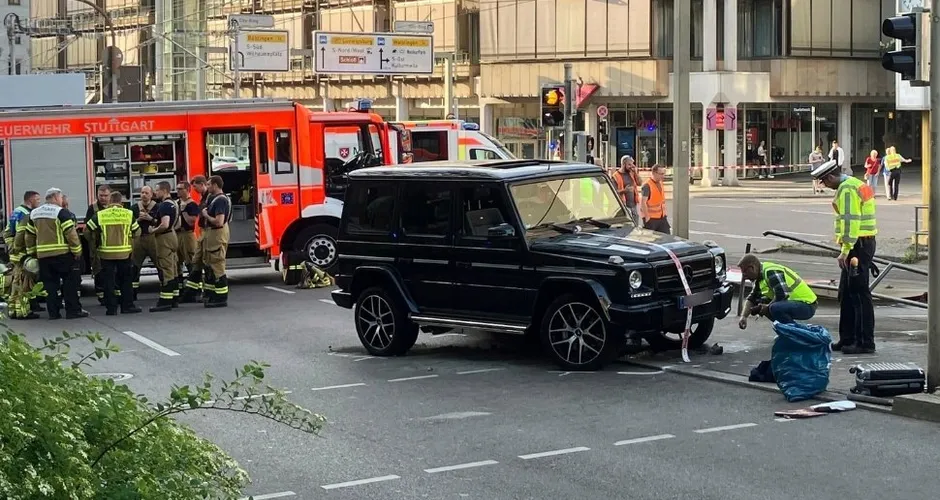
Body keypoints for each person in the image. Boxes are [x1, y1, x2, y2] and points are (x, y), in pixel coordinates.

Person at [812, 159, 877, 354]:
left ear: (831, 177)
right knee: (847, 293)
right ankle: (848, 338)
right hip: (861, 243)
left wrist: (846, 250)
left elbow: (850, 221)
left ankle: (864, 342)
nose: (825, 185)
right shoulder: (855, 183)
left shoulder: (847, 189)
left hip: (857, 245)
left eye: (824, 181)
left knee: (858, 294)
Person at [23, 188, 86, 320]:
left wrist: (32, 252)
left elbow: (29, 235)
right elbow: (71, 234)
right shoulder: (60, 212)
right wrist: (77, 251)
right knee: (69, 283)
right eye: (61, 197)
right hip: (62, 254)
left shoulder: (34, 213)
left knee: (50, 285)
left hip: (43, 256)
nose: (62, 200)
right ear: (56, 197)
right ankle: (72, 311)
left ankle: (53, 313)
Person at [85, 191, 142, 315]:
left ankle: (111, 308)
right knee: (126, 281)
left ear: (110, 201)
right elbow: (137, 232)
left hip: (105, 253)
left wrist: (94, 242)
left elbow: (87, 231)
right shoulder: (128, 214)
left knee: (108, 281)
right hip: (124, 253)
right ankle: (127, 306)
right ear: (121, 202)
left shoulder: (100, 215)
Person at [736, 254, 818, 329]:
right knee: (763, 305)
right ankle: (786, 331)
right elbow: (752, 298)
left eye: (745, 272)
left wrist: (766, 307)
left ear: (752, 268)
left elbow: (781, 295)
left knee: (773, 308)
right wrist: (744, 317)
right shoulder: (759, 278)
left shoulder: (770, 272)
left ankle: (794, 332)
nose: (744, 276)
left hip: (807, 305)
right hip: (795, 304)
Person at [181, 176, 214, 303]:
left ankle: (208, 293)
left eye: (195, 186)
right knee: (197, 261)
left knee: (207, 262)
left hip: (207, 232)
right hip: (203, 232)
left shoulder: (209, 198)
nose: (194, 189)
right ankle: (192, 292)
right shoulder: (204, 197)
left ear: (202, 184)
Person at [148, 181, 180, 312]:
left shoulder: (165, 205)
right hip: (172, 235)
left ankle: (165, 301)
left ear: (164, 191)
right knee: (173, 268)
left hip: (164, 238)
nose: (155, 193)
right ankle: (174, 298)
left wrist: (153, 230)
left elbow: (165, 224)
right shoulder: (174, 204)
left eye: (157, 190)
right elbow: (177, 223)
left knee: (166, 268)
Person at [201, 175, 231, 308]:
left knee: (217, 265)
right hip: (213, 234)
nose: (207, 187)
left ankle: (221, 298)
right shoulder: (216, 199)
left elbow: (219, 221)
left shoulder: (220, 200)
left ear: (215, 185)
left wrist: (206, 215)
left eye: (208, 185)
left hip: (217, 234)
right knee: (211, 265)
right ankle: (213, 295)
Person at [85, 184, 112, 304]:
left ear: (110, 195)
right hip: (97, 244)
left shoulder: (114, 207)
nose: (103, 198)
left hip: (112, 244)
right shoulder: (93, 208)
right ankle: (101, 296)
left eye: (106, 195)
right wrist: (92, 243)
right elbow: (87, 229)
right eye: (101, 195)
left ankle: (112, 294)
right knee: (98, 271)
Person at [131, 186, 158, 298]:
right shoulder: (134, 208)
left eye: (146, 193)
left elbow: (162, 223)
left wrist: (150, 218)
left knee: (160, 264)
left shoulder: (157, 207)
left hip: (153, 238)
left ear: (151, 195)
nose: (144, 195)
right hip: (138, 239)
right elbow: (129, 224)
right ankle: (132, 293)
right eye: (142, 193)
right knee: (134, 266)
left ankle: (164, 289)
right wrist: (138, 220)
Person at [176, 181, 200, 287]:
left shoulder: (192, 204)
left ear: (187, 190)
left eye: (180, 189)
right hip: (176, 234)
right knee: (176, 260)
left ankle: (195, 286)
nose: (178, 191)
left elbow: (191, 222)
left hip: (187, 234)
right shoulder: (176, 203)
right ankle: (180, 285)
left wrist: (184, 211)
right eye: (177, 189)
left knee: (190, 259)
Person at [640, 164, 670, 234]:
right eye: (661, 174)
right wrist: (647, 218)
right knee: (650, 238)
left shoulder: (660, 183)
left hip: (662, 217)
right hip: (651, 219)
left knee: (666, 237)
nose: (663, 176)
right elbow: (643, 203)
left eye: (663, 173)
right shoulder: (647, 185)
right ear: (654, 173)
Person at [612, 155, 641, 225]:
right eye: (629, 164)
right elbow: (613, 192)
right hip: (623, 206)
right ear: (623, 164)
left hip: (633, 205)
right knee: (627, 225)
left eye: (632, 164)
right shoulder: (615, 176)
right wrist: (624, 190)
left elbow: (639, 183)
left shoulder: (631, 173)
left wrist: (635, 172)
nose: (631, 166)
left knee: (635, 225)